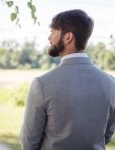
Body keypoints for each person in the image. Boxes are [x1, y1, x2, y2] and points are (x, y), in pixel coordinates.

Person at [20, 9, 115, 150]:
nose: (49, 38)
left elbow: (29, 143)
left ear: (68, 37)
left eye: (53, 32)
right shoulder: (111, 83)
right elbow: (106, 135)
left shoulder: (42, 84)